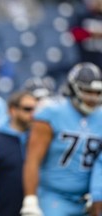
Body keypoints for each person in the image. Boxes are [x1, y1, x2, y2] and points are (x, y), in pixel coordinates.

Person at [20, 62, 102, 216]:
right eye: (87, 91)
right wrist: (30, 199)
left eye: (97, 92)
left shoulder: (100, 117)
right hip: (55, 197)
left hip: (89, 199)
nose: (93, 97)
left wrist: (98, 194)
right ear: (73, 88)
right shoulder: (51, 113)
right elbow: (33, 160)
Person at [0, 91, 37, 216]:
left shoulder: (37, 140)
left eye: (35, 109)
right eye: (27, 109)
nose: (33, 114)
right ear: (13, 111)